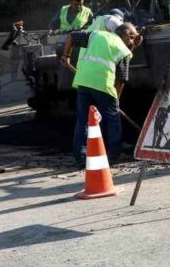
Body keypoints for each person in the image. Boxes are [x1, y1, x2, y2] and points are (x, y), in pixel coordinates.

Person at [61, 22, 143, 169]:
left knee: (83, 120)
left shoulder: (96, 35)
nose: (132, 41)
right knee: (112, 119)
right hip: (103, 84)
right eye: (132, 37)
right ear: (125, 35)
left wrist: (66, 56)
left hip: (83, 81)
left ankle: (81, 158)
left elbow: (71, 36)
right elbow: (121, 79)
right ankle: (114, 154)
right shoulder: (123, 50)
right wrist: (116, 101)